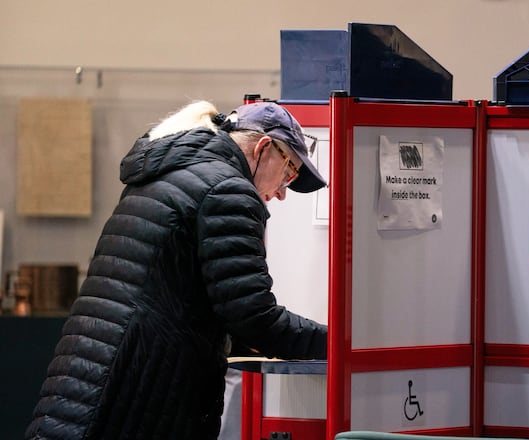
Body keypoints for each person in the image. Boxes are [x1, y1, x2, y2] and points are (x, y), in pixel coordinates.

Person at [25, 100, 328, 440]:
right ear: (262, 148)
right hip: (136, 396)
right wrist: (338, 343)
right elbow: (253, 318)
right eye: (288, 172)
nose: (283, 192)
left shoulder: (168, 173)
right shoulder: (228, 191)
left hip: (84, 382)